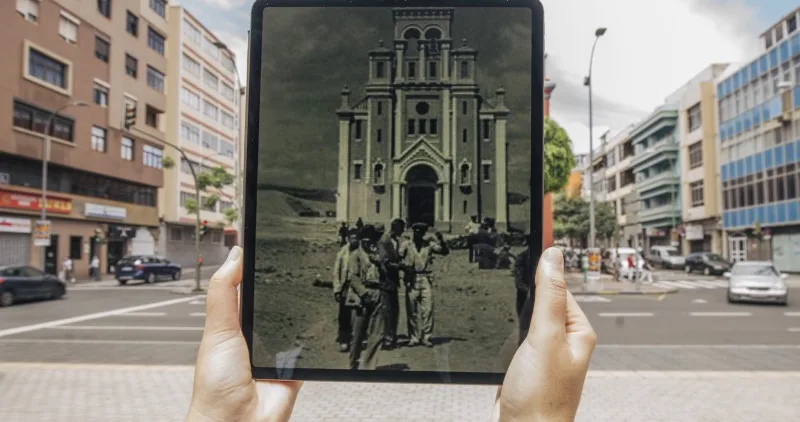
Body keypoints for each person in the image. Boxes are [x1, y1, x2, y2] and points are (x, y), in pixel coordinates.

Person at [186, 246, 596, 422]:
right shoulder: (367, 253)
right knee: (367, 329)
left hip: (410, 284)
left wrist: (220, 418)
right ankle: (358, 354)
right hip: (373, 293)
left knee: (415, 314)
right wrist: (539, 418)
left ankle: (400, 342)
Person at [399, 223, 448, 348]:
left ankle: (426, 336)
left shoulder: (429, 245)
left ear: (424, 234)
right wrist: (404, 268)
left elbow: (444, 251)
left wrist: (441, 239)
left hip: (425, 277)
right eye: (416, 232)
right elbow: (397, 258)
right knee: (412, 309)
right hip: (412, 278)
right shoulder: (406, 245)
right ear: (413, 232)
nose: (418, 234)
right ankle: (414, 337)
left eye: (421, 232)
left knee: (428, 308)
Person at [347, 225, 389, 370]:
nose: (368, 243)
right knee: (358, 333)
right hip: (362, 295)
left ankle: (368, 366)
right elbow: (353, 277)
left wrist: (379, 263)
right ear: (360, 240)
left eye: (370, 240)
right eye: (365, 240)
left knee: (377, 333)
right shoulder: (356, 255)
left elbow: (385, 275)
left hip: (377, 291)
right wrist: (364, 294)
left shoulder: (377, 255)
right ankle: (353, 363)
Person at [378, 218, 405, 349]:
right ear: (396, 228)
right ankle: (386, 338)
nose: (403, 231)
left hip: (393, 281)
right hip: (385, 280)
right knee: (386, 310)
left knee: (394, 310)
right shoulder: (385, 240)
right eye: (402, 229)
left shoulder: (396, 241)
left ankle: (392, 336)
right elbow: (385, 262)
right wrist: (401, 267)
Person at [332, 229, 360, 352]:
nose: (354, 240)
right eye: (351, 237)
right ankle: (344, 339)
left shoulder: (362, 251)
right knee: (344, 313)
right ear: (348, 238)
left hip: (358, 286)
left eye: (356, 237)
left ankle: (357, 339)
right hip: (346, 285)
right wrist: (337, 289)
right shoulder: (343, 252)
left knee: (358, 313)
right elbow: (336, 272)